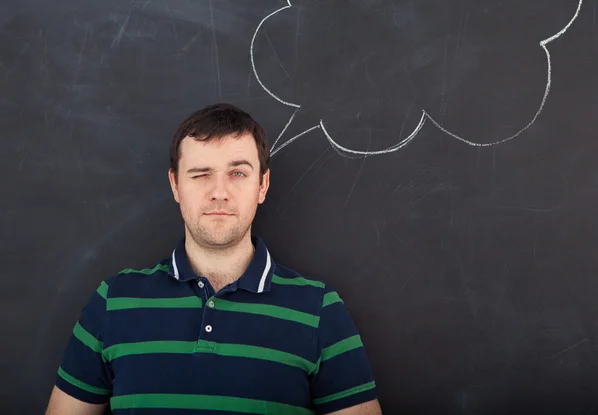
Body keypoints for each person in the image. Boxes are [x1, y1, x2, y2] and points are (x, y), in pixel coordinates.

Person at [45, 103, 382, 415]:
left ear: (262, 186)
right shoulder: (113, 302)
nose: (219, 191)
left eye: (237, 173)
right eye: (200, 173)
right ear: (175, 185)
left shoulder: (319, 310)